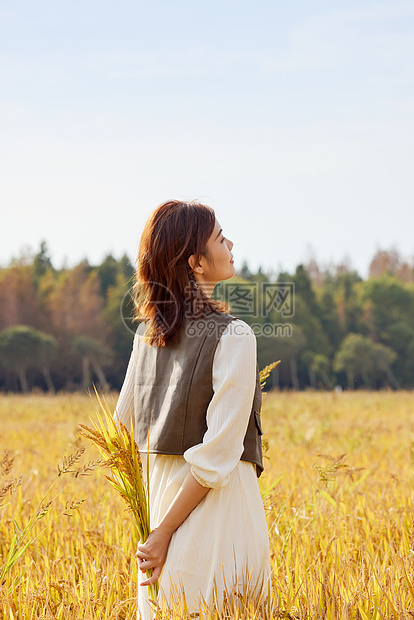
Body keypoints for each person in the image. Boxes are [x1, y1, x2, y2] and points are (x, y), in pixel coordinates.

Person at [114, 200, 271, 619]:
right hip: (215, 516)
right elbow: (219, 454)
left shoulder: (146, 339)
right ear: (196, 262)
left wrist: (156, 527)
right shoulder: (234, 335)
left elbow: (122, 430)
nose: (231, 243)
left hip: (159, 514)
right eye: (220, 237)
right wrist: (165, 533)